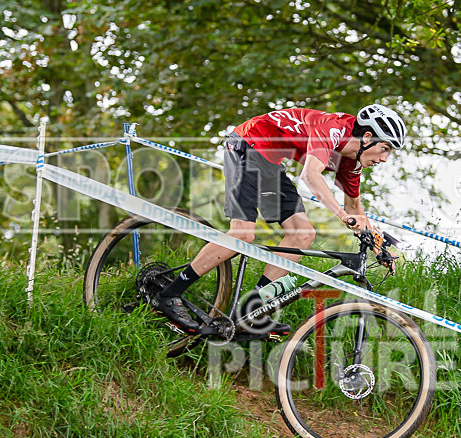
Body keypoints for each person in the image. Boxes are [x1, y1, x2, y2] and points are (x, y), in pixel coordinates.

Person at [152, 103, 407, 333]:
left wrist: (378, 246)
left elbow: (355, 208)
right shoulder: (333, 129)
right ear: (367, 137)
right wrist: (340, 215)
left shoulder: (352, 162)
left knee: (302, 234)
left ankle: (250, 311)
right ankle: (170, 294)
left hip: (269, 160)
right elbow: (310, 176)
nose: (384, 158)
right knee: (243, 233)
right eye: (384, 149)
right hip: (246, 142)